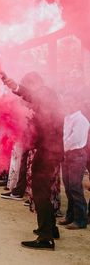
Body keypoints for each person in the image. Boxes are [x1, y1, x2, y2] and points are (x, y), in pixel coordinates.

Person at [3, 71, 63, 250]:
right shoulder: (46, 95)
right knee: (44, 191)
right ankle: (51, 229)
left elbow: (32, 98)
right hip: (49, 151)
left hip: (47, 152)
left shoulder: (45, 95)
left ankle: (46, 238)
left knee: (40, 193)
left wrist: (15, 87)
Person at [58, 92, 89, 229]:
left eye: (69, 101)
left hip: (76, 155)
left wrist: (61, 148)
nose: (66, 104)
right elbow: (64, 136)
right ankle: (70, 216)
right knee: (69, 187)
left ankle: (81, 219)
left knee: (75, 187)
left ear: (76, 103)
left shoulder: (81, 120)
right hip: (67, 155)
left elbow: (74, 139)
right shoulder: (67, 118)